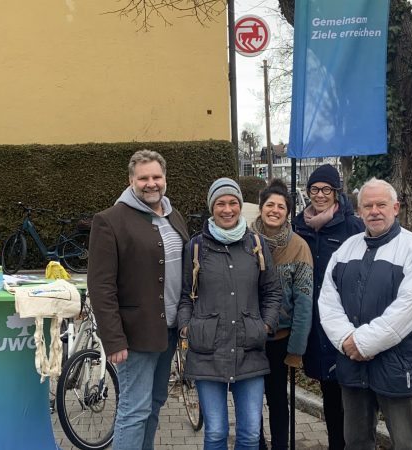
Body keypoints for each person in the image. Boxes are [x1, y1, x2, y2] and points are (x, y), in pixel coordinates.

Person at [318, 178, 412, 450]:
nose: (374, 211)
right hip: (353, 367)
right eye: (368, 205)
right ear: (359, 212)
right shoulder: (346, 249)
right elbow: (328, 300)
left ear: (395, 208)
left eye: (381, 204)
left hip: (398, 369)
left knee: (406, 444)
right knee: (356, 443)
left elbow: (410, 308)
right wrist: (347, 340)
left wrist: (362, 343)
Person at [88, 150, 190, 450]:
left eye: (156, 177)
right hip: (134, 336)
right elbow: (101, 285)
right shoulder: (110, 220)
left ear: (165, 179)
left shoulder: (174, 215)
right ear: (131, 180)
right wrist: (113, 339)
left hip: (169, 330)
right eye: (143, 178)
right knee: (134, 410)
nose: (151, 183)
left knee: (155, 403)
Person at [178, 178, 282, 450]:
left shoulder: (257, 244)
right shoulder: (196, 246)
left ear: (240, 206)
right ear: (212, 207)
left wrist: (266, 326)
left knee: (249, 433)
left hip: (249, 350)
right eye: (220, 203)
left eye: (233, 202)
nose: (227, 209)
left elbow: (272, 292)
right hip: (207, 351)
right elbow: (184, 295)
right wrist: (186, 327)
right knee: (216, 433)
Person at [291, 164, 364, 450]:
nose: (319, 195)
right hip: (315, 325)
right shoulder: (299, 225)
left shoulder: (352, 226)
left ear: (336, 192)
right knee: (330, 394)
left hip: (345, 322)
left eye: (326, 190)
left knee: (350, 395)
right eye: (314, 189)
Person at [250, 179, 313, 450]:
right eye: (269, 204)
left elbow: (304, 301)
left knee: (277, 400)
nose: (274, 210)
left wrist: (296, 349)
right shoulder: (244, 240)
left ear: (288, 212)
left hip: (280, 340)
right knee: (250, 400)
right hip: (249, 339)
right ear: (261, 207)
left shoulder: (299, 247)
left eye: (281, 206)